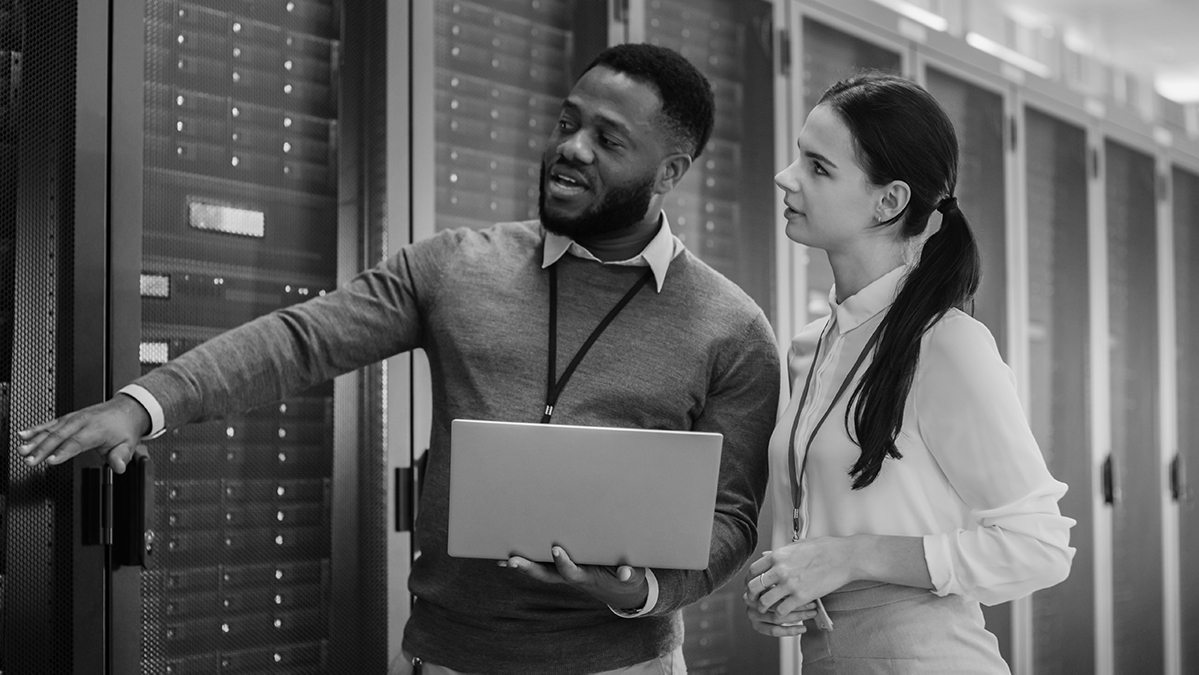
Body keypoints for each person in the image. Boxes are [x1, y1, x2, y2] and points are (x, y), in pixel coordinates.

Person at [17, 44, 780, 674]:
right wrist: (145, 404)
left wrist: (640, 589)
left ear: (672, 172)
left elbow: (733, 517)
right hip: (447, 657)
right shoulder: (455, 266)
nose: (570, 149)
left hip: (624, 665)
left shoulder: (733, 329)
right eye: (566, 122)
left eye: (608, 140)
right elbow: (299, 339)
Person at [743, 72, 1074, 673]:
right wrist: (788, 588)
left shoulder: (947, 346)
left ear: (889, 201)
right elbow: (822, 528)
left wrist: (855, 558)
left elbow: (1039, 547)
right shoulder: (808, 348)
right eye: (799, 156)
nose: (785, 177)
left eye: (818, 167)